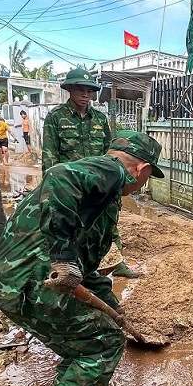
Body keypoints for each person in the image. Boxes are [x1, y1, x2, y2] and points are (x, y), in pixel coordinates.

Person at [0, 132, 165, 386]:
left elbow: (88, 268)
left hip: (12, 280)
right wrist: (63, 257)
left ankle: (73, 381)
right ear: (140, 168)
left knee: (92, 332)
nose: (142, 184)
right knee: (103, 344)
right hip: (34, 281)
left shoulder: (103, 195)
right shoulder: (113, 172)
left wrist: (113, 308)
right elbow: (59, 175)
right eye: (147, 177)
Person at [43, 68, 140, 279]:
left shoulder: (100, 119)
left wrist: (114, 182)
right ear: (70, 89)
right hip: (72, 185)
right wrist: (51, 190)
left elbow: (110, 152)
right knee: (73, 226)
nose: (86, 94)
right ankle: (78, 270)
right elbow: (50, 156)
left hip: (99, 183)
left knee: (108, 224)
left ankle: (118, 262)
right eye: (80, 89)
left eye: (89, 90)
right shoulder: (56, 117)